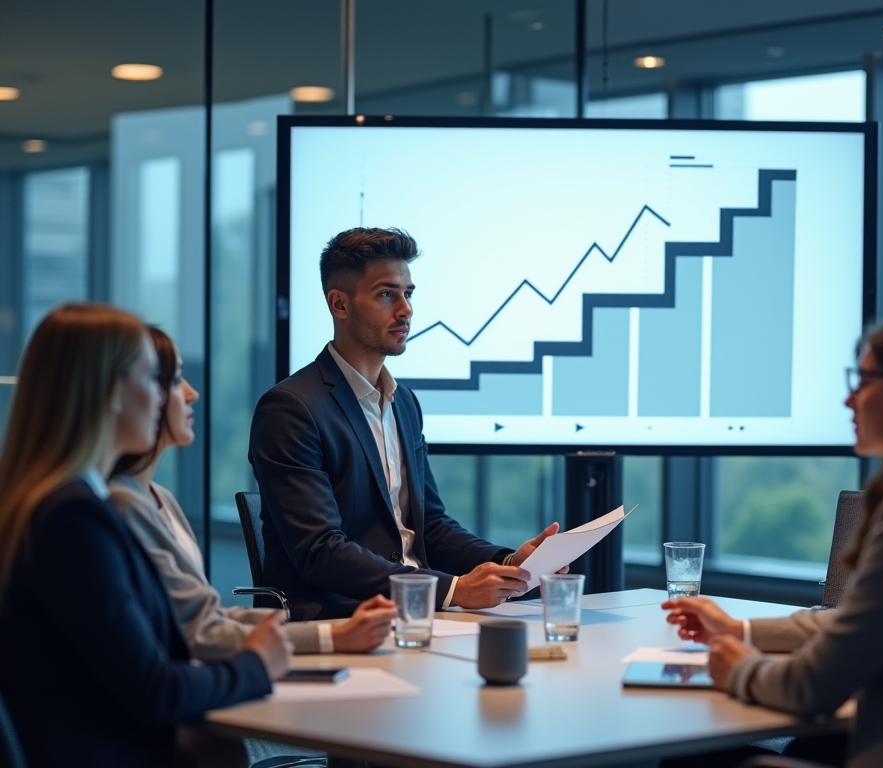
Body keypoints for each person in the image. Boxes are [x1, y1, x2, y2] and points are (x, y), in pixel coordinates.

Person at [662, 318, 883, 768]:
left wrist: (737, 667)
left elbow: (813, 689)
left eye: (864, 381)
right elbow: (859, 624)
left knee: (694, 760)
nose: (847, 400)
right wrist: (742, 632)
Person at [0, 304, 291, 768]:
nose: (165, 397)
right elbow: (155, 690)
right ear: (109, 390)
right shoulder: (72, 520)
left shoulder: (68, 505)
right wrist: (256, 665)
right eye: (152, 377)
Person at [250, 227, 567, 619]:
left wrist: (507, 562)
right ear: (340, 305)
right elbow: (320, 552)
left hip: (424, 617)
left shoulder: (404, 403)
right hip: (348, 622)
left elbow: (428, 524)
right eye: (387, 294)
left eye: (408, 294)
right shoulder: (291, 408)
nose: (406, 309)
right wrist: (452, 589)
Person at [108, 326, 397, 660]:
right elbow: (198, 631)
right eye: (173, 381)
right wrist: (329, 637)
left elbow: (208, 617)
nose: (191, 393)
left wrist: (333, 634)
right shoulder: (122, 504)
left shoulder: (161, 499)